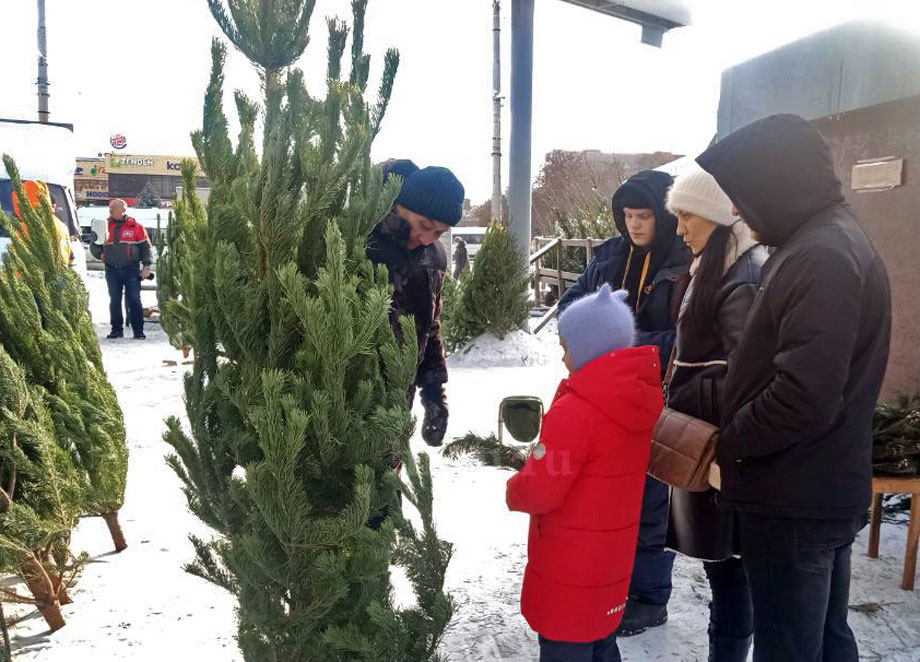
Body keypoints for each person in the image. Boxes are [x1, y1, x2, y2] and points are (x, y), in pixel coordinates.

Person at [696, 114, 892, 662]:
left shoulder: (821, 255)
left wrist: (728, 442)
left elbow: (804, 395)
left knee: (789, 648)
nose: (736, 209)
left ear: (775, 183)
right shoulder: (821, 241)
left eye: (741, 193)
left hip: (795, 500)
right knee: (824, 643)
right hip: (813, 490)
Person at [559, 170, 690, 635]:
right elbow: (570, 307)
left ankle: (651, 597)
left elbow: (688, 336)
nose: (635, 225)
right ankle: (613, 587)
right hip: (601, 401)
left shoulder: (684, 261)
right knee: (610, 500)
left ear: (666, 215)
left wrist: (622, 345)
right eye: (628, 215)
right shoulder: (609, 256)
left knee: (654, 504)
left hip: (660, 401)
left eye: (645, 215)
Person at [507, 283, 663, 662]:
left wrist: (516, 485)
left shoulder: (574, 414)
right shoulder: (634, 403)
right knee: (601, 643)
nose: (563, 358)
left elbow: (542, 488)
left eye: (565, 348)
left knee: (567, 644)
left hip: (569, 568)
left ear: (589, 349)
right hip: (609, 563)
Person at [663, 167, 767, 661]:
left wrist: (696, 398)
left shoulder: (740, 276)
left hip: (719, 447)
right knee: (723, 567)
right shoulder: (716, 263)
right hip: (704, 439)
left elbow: (747, 374)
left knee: (731, 572)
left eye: (687, 216)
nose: (680, 228)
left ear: (717, 216)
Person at [367, 164, 465, 447]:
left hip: (399, 404)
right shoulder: (362, 240)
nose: (426, 239)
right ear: (400, 206)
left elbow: (430, 327)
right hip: (344, 401)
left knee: (388, 484)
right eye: (424, 225)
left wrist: (435, 394)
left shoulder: (434, 256)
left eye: (438, 232)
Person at [90, 198, 152, 340]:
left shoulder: (136, 227)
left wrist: (146, 266)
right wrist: (100, 254)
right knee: (115, 300)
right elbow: (94, 245)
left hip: (131, 269)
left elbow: (146, 248)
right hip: (112, 270)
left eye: (114, 208)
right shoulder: (104, 226)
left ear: (123, 210)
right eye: (110, 208)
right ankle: (116, 330)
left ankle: (138, 331)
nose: (110, 211)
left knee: (135, 300)